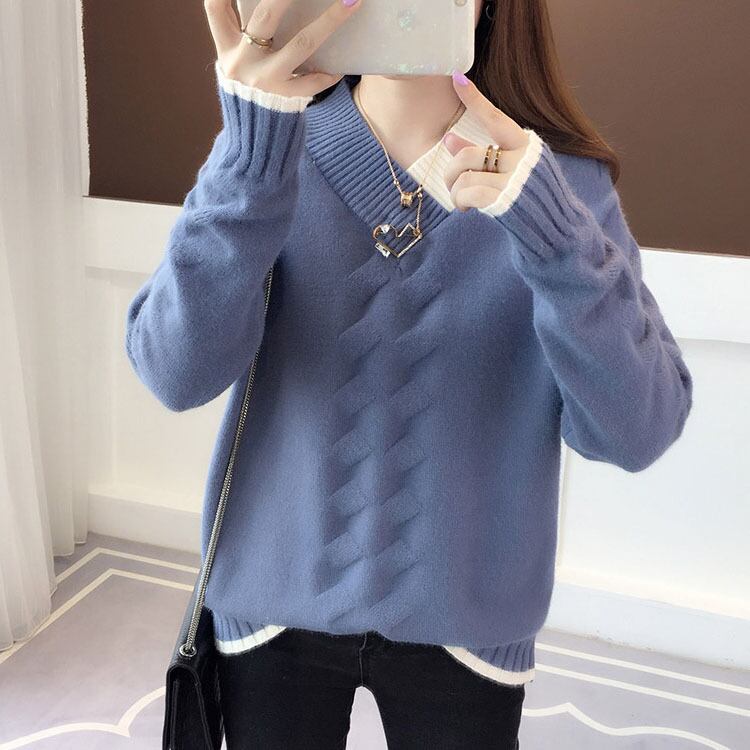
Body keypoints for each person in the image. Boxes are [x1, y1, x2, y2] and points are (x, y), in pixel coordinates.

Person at [125, 0, 694, 747]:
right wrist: (250, 161)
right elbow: (173, 371)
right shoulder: (267, 152)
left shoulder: (559, 190)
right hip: (269, 606)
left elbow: (638, 430)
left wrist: (550, 233)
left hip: (469, 624)